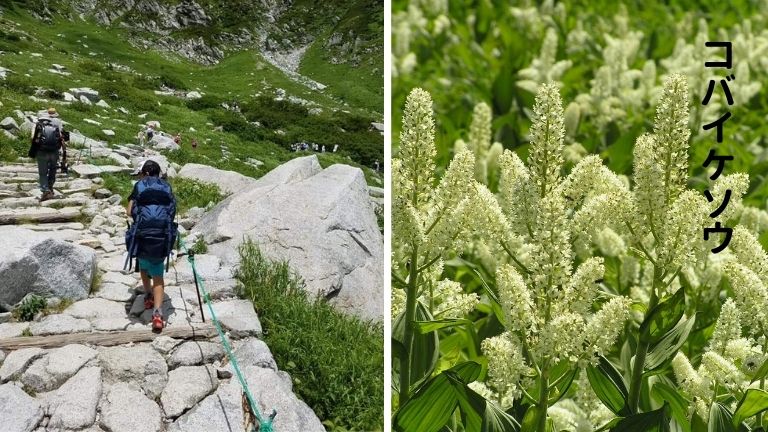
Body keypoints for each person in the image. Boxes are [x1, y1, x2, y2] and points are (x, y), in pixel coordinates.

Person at [125, 160, 177, 332]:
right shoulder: (166, 186)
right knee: (158, 275)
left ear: (145, 173)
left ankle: (147, 295)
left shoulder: (140, 185)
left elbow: (129, 211)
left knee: (143, 264)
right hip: (161, 236)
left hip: (142, 235)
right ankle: (157, 314)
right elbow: (172, 210)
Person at [28, 107, 65, 202]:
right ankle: (51, 187)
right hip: (54, 151)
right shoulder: (57, 123)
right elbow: (61, 137)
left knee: (43, 172)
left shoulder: (37, 124)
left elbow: (33, 137)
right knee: (53, 169)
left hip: (42, 151)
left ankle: (45, 190)